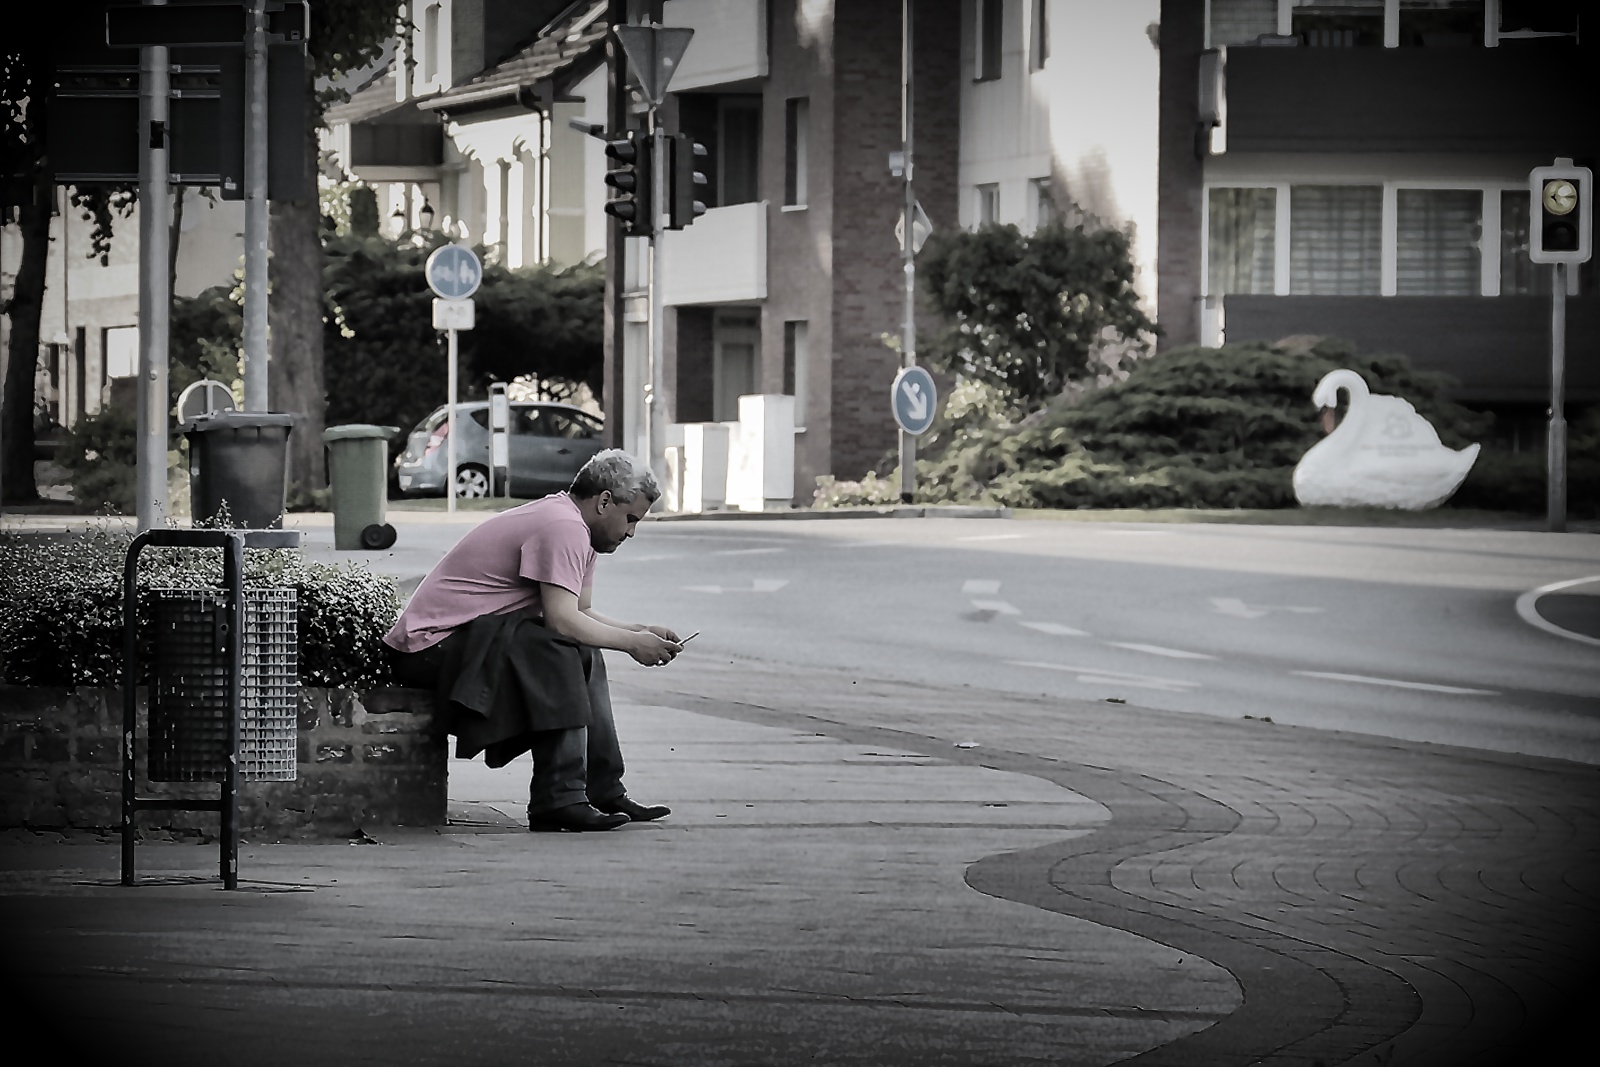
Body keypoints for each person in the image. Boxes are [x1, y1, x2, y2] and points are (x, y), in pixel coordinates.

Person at [384, 449, 683, 832]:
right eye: (630, 519)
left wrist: (639, 631)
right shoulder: (563, 526)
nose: (631, 532)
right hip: (427, 646)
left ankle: (602, 788)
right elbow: (561, 621)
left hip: (467, 639)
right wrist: (632, 644)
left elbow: (581, 612)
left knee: (581, 648)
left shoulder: (579, 529)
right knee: (558, 649)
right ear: (604, 501)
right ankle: (558, 799)